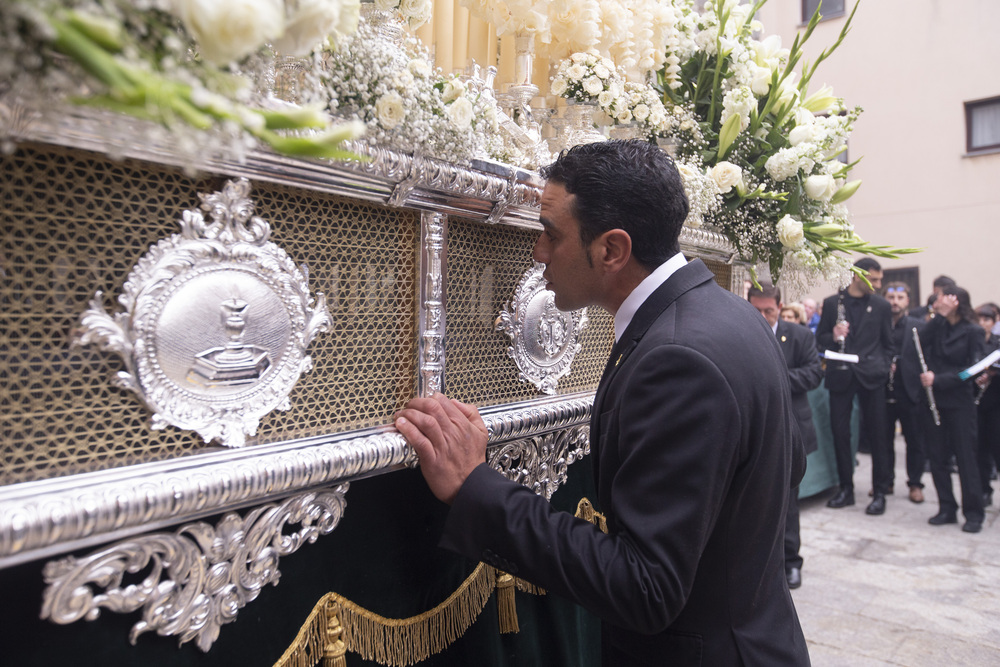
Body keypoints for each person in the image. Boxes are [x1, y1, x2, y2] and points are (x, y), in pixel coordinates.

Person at [394, 140, 810, 666]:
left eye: (551, 234)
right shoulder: (730, 312)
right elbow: (785, 465)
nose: (538, 254)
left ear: (612, 250)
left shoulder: (678, 359)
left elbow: (646, 588)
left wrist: (477, 488)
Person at [749, 283, 823, 590]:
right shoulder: (742, 330)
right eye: (757, 310)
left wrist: (773, 377)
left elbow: (814, 373)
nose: (764, 317)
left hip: (790, 429)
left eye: (769, 311)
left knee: (788, 502)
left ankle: (791, 562)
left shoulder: (799, 336)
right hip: (753, 430)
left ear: (780, 307)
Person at [816, 258, 893, 514]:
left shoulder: (881, 305)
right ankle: (846, 488)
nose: (879, 284)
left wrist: (882, 367)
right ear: (858, 276)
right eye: (875, 279)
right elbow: (820, 342)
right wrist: (834, 335)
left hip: (872, 376)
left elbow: (888, 343)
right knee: (840, 433)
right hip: (841, 374)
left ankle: (880, 492)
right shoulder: (831, 303)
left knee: (878, 435)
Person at [919, 286, 987, 532]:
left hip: (960, 403)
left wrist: (939, 379)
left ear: (956, 301)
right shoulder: (938, 326)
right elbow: (919, 340)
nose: (938, 301)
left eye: (943, 298)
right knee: (937, 457)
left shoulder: (974, 331)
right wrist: (938, 315)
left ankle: (974, 513)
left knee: (966, 458)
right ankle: (947, 507)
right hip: (935, 401)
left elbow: (973, 370)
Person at [881, 282, 927, 503]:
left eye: (900, 298)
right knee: (883, 440)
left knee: (915, 440)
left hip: (910, 391)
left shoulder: (919, 326)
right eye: (891, 298)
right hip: (882, 390)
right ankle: (886, 481)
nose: (895, 302)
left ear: (908, 301)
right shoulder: (878, 323)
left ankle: (915, 484)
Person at [974, 305, 999, 506]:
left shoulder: (997, 343)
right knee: (979, 449)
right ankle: (984, 490)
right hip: (976, 403)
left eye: (987, 320)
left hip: (995, 403)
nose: (983, 324)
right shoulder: (973, 342)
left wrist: (993, 374)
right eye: (979, 319)